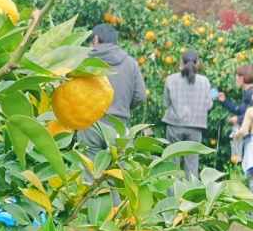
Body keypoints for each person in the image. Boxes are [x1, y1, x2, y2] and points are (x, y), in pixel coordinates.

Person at [78, 24, 146, 157]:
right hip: (118, 125)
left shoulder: (84, 61)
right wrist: (122, 106)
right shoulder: (130, 63)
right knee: (116, 172)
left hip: (90, 124)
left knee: (90, 173)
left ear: (96, 39)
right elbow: (140, 96)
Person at [162, 50, 213, 179]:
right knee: (192, 165)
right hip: (196, 126)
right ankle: (190, 196)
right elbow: (208, 105)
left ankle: (172, 195)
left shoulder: (170, 79)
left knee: (172, 163)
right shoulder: (204, 81)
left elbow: (166, 103)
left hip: (174, 125)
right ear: (198, 63)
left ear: (181, 62)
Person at [217, 64, 253, 162]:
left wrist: (238, 119)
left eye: (237, 77)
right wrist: (225, 101)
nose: (235, 79)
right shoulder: (247, 92)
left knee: (251, 167)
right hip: (249, 135)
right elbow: (240, 110)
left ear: (242, 78)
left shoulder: (252, 93)